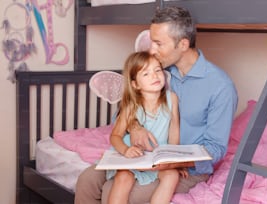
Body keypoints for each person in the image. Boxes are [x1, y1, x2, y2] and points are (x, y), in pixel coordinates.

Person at [75, 6, 238, 204]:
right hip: (139, 155)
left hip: (184, 169)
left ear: (183, 44)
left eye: (159, 43)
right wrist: (135, 127)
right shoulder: (157, 71)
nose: (152, 49)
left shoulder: (220, 86)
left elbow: (216, 149)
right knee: (85, 181)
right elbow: (124, 112)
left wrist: (172, 161)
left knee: (111, 191)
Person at [105, 51, 181, 204]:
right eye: (146, 74)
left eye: (158, 70)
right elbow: (115, 136)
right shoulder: (131, 106)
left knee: (172, 175)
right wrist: (126, 150)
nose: (155, 76)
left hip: (156, 158)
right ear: (135, 84)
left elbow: (174, 129)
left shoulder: (171, 98)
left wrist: (175, 161)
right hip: (134, 158)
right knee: (123, 177)